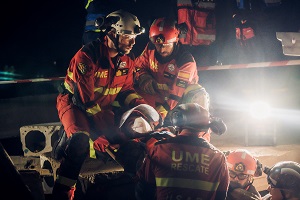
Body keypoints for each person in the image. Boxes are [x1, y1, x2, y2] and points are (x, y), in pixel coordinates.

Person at [52, 10, 147, 200]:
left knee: (129, 148)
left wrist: (141, 107)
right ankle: (62, 194)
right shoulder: (87, 57)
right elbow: (86, 101)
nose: (133, 42)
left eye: (134, 37)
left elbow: (127, 91)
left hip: (102, 110)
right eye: (128, 36)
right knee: (80, 142)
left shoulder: (127, 61)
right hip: (75, 106)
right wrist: (99, 134)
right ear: (112, 33)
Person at [135, 103, 230, 200]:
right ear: (206, 127)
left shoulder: (159, 149)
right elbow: (221, 195)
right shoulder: (218, 157)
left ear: (177, 121)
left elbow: (144, 190)